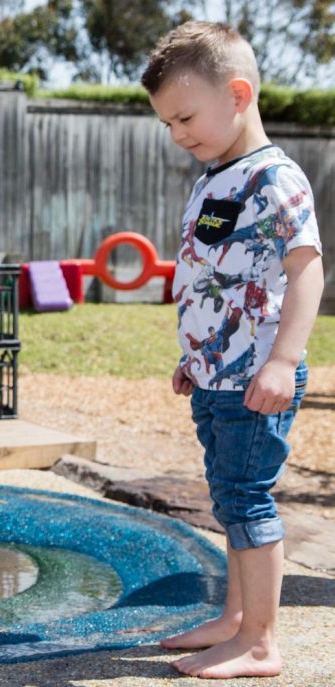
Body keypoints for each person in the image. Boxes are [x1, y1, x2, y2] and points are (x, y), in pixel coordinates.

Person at [141, 21, 324, 679]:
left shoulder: (273, 178)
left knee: (248, 498)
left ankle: (261, 640)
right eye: (168, 123)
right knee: (228, 497)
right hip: (218, 373)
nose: (178, 133)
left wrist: (282, 359)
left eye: (185, 116)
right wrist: (195, 356)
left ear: (238, 93)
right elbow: (213, 279)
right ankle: (235, 619)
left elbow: (306, 270)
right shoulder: (215, 176)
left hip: (256, 376)